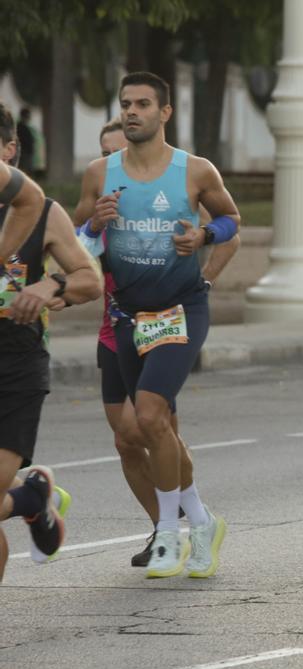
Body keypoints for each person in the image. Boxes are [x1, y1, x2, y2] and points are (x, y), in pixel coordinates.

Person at [74, 72, 240, 578]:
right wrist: (95, 224)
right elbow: (75, 239)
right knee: (154, 427)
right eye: (126, 103)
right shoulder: (99, 173)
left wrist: (205, 235)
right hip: (126, 313)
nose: (132, 112)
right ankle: (203, 521)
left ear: (165, 113)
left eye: (143, 104)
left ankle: (168, 533)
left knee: (148, 416)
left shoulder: (195, 171)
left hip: (180, 310)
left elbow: (231, 221)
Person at [1, 103, 102, 582]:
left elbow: (90, 279)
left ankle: (26, 496)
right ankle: (29, 498)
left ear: (10, 150)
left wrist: (49, 286)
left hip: (16, 369)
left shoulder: (42, 212)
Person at [16, 108, 37, 176]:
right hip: (24, 155)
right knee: (25, 173)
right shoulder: (20, 127)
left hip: (26, 154)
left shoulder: (24, 127)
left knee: (27, 172)